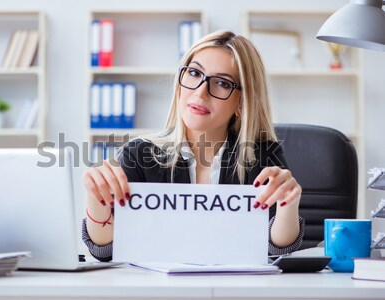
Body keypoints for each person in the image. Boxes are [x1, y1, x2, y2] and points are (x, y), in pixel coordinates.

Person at [82, 30, 305, 262]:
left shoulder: (262, 157)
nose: (200, 92)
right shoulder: (138, 154)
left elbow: (277, 249)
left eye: (221, 83)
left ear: (242, 101)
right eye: (194, 73)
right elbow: (105, 251)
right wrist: (96, 200)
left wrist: (288, 205)